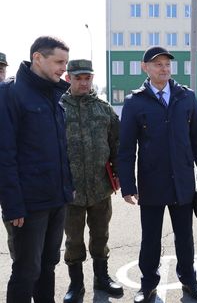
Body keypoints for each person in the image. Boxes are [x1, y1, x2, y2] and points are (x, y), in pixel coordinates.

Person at [118, 46, 197, 303]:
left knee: (185, 236)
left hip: (182, 180)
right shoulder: (135, 102)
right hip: (152, 182)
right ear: (145, 67)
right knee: (150, 239)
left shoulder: (186, 97)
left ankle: (189, 281)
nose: (164, 68)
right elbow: (125, 149)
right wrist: (128, 185)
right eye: (157, 64)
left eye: (167, 64)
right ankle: (147, 285)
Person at [0, 36, 74, 303]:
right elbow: (4, 155)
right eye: (59, 62)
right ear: (38, 58)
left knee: (48, 264)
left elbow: (58, 150)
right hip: (29, 204)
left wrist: (68, 191)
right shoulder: (10, 94)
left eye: (65, 62)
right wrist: (12, 204)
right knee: (26, 270)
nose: (63, 69)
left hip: (57, 199)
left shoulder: (54, 94)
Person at [60, 59, 123, 302]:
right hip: (70, 191)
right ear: (68, 79)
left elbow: (116, 146)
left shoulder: (104, 108)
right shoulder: (59, 107)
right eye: (78, 78)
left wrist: (121, 179)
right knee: (73, 240)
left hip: (100, 189)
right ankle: (76, 285)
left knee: (101, 236)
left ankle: (102, 278)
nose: (83, 82)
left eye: (87, 77)